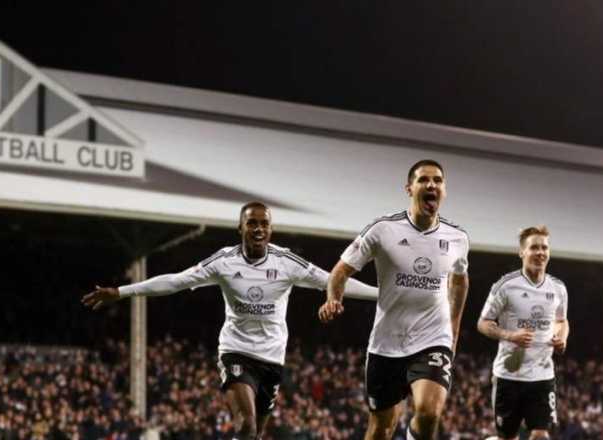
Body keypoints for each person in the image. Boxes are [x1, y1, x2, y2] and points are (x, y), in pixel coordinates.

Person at [82, 201, 378, 440]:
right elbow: (175, 281)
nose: (259, 228)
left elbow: (333, 281)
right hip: (236, 351)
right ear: (240, 228)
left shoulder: (287, 262)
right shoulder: (224, 261)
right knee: (245, 427)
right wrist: (121, 292)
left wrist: (381, 295)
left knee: (256, 433)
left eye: (264, 223)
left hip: (273, 358)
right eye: (252, 223)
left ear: (271, 229)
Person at [320, 159, 470, 440]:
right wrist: (333, 298)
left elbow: (460, 280)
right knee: (381, 429)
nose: (431, 185)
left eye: (438, 181)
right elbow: (340, 270)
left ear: (444, 190)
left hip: (432, 339)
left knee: (429, 413)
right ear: (409, 188)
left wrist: (453, 326)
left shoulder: (458, 238)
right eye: (424, 180)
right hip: (387, 344)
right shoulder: (383, 229)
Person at [477, 225, 569, 440]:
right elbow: (483, 323)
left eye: (544, 247)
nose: (540, 252)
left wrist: (561, 337)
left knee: (541, 435)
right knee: (508, 437)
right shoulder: (505, 286)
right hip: (509, 375)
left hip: (542, 375)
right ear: (522, 252)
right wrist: (511, 336)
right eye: (534, 247)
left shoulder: (558, 288)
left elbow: (562, 320)